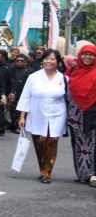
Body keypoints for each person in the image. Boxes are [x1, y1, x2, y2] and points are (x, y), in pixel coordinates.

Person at [17, 48, 67, 184]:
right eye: (46, 58)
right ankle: (42, 168)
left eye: (52, 59)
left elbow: (69, 99)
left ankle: (46, 172)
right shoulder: (33, 77)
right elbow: (26, 97)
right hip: (37, 114)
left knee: (52, 142)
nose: (48, 61)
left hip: (57, 115)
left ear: (58, 62)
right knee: (40, 142)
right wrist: (22, 116)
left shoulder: (63, 78)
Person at [66, 43, 96, 185]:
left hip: (92, 113)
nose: (87, 57)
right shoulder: (73, 71)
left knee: (92, 144)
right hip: (75, 115)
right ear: (79, 55)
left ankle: (93, 174)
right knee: (77, 145)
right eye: (85, 54)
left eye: (91, 55)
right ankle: (81, 174)